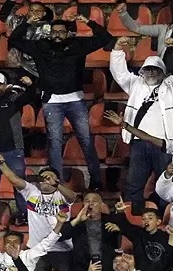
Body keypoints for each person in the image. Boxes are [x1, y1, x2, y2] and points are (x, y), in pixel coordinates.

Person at [7, 17, 111, 188]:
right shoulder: (41, 46)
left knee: (86, 141)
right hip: (51, 102)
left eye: (61, 32)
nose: (57, 35)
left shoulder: (78, 44)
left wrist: (89, 22)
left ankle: (96, 181)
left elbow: (105, 38)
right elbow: (14, 40)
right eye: (54, 32)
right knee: (54, 144)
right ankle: (57, 183)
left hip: (76, 100)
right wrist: (27, 23)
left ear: (68, 33)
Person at [110, 37, 173, 205]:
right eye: (147, 69)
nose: (151, 73)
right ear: (142, 71)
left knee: (168, 183)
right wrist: (118, 49)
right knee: (134, 184)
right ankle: (132, 219)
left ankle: (165, 220)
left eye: (155, 70)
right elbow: (119, 72)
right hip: (139, 143)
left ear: (163, 72)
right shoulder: (135, 84)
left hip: (166, 144)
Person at [0, 158, 76, 271]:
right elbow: (14, 180)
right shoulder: (32, 191)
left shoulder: (62, 195)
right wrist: (2, 165)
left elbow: (72, 196)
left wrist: (56, 185)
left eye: (50, 177)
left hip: (61, 250)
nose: (46, 179)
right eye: (43, 177)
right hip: (37, 249)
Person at [0, 72, 38, 214]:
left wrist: (30, 85)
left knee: (20, 186)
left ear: (4, 86)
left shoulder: (13, 99)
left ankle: (23, 215)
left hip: (13, 151)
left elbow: (31, 96)